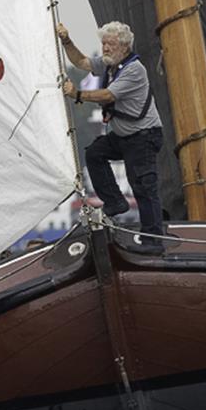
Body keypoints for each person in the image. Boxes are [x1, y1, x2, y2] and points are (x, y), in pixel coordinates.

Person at [59, 21, 164, 249]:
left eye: (111, 44)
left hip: (144, 136)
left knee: (143, 187)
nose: (105, 48)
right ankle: (115, 202)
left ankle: (154, 240)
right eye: (103, 43)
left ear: (124, 47)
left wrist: (77, 94)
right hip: (125, 137)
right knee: (95, 153)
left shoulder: (134, 70)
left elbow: (107, 95)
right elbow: (81, 61)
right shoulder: (109, 66)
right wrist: (66, 41)